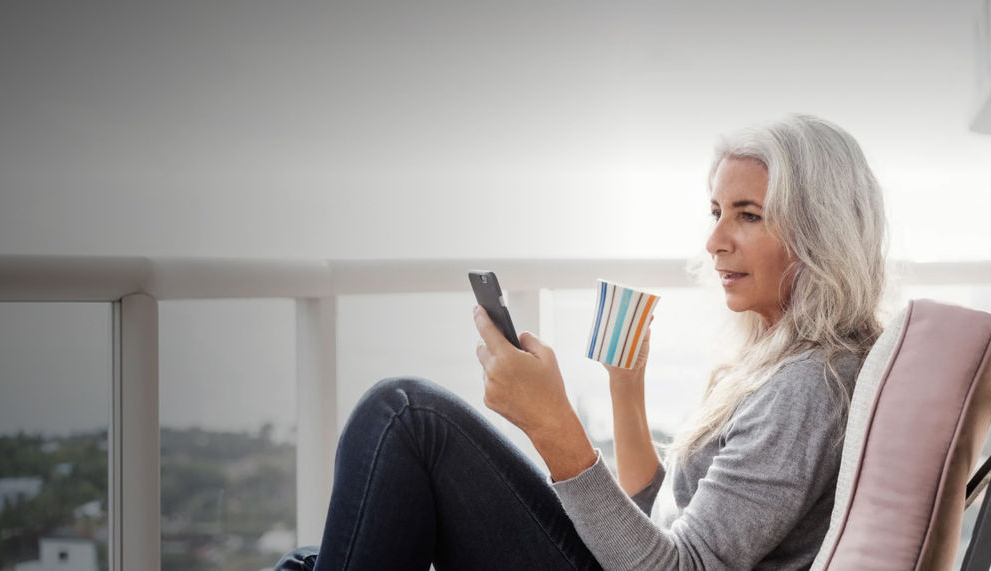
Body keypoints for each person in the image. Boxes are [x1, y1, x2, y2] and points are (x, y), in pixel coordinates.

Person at [274, 114, 888, 570]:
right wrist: (627, 387)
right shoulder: (775, 363)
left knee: (405, 415)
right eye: (716, 211)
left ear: (819, 232)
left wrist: (553, 425)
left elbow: (682, 568)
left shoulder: (809, 386)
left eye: (748, 215)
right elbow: (665, 520)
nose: (715, 241)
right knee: (315, 560)